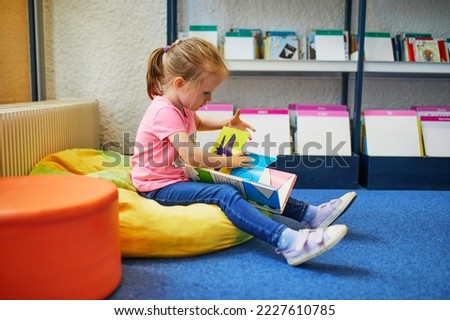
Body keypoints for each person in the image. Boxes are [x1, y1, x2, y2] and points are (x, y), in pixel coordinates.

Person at [131, 37, 357, 266]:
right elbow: (191, 156)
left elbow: (199, 122)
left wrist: (227, 122)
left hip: (175, 177)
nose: (209, 99)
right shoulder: (164, 112)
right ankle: (287, 242)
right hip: (157, 186)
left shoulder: (182, 106)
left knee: (244, 181)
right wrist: (228, 159)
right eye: (205, 92)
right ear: (180, 83)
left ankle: (310, 215)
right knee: (224, 193)